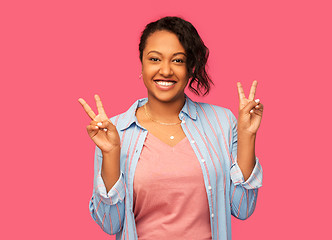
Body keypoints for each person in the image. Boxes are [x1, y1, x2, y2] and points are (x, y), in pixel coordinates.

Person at [78, 16, 264, 240]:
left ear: (190, 67)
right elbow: (110, 224)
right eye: (155, 59)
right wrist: (110, 154)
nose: (165, 71)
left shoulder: (222, 122)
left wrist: (247, 136)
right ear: (142, 64)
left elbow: (242, 209)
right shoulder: (115, 130)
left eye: (177, 60)